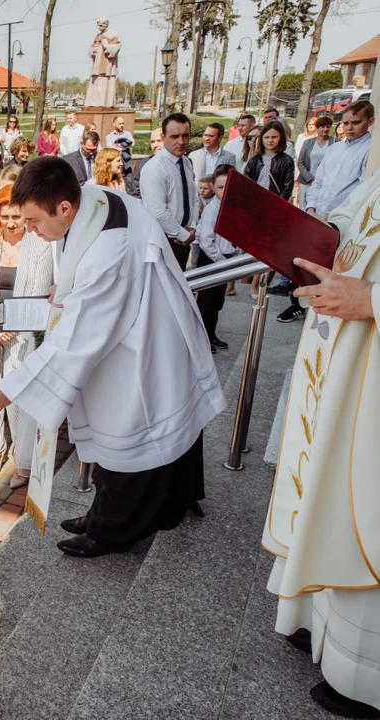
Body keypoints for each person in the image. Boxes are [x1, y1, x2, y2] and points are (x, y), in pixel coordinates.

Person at [0, 156, 224, 558]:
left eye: (35, 221)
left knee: (127, 433)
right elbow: (78, 280)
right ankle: (106, 512)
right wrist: (66, 288)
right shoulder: (95, 197)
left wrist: (11, 389)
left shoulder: (110, 247)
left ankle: (112, 529)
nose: (32, 232)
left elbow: (75, 340)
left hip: (140, 347)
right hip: (132, 325)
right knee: (137, 435)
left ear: (63, 207)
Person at [259, 152, 380, 717]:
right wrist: (316, 236)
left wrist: (373, 300)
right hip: (347, 359)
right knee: (328, 476)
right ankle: (317, 620)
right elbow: (352, 221)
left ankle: (365, 674)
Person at [0, 186, 55, 482]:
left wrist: (8, 327)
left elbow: (38, 292)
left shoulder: (39, 247)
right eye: (4, 216)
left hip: (21, 334)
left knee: (16, 396)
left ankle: (22, 454)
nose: (11, 223)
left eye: (16, 216)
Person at [279, 100, 374, 324]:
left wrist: (331, 217)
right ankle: (299, 305)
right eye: (346, 122)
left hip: (340, 222)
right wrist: (311, 208)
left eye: (356, 123)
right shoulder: (334, 149)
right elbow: (318, 182)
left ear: (370, 122)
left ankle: (328, 310)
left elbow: (360, 190)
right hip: (317, 214)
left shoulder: (370, 151)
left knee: (332, 267)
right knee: (304, 261)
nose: (349, 127)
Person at [140, 113, 200, 270]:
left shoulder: (186, 162)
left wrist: (191, 228)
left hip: (183, 239)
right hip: (163, 241)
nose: (181, 141)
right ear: (163, 136)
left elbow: (193, 196)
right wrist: (184, 235)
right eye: (175, 136)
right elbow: (157, 211)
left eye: (185, 136)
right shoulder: (155, 168)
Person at [196, 164, 241, 353]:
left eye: (229, 186)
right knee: (206, 302)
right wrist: (222, 262)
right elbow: (206, 241)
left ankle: (211, 334)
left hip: (226, 259)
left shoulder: (233, 207)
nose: (225, 191)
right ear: (213, 187)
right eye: (221, 187)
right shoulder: (211, 210)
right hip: (213, 259)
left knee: (216, 303)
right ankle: (201, 338)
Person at [244, 120, 295, 201]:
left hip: (275, 202)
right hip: (254, 200)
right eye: (267, 137)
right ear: (261, 138)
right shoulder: (255, 160)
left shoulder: (287, 161)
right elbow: (246, 182)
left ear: (281, 137)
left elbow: (287, 187)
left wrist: (278, 203)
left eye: (274, 137)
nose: (270, 140)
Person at [296, 115, 335, 211]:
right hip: (306, 181)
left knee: (318, 208)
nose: (325, 129)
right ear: (317, 128)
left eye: (328, 126)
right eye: (322, 127)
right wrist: (310, 178)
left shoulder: (335, 142)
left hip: (324, 182)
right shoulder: (308, 143)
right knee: (303, 207)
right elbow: (300, 161)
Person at [127, 127, 162, 198]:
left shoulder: (180, 163)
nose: (155, 145)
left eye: (159, 141)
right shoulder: (142, 165)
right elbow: (135, 193)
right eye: (152, 142)